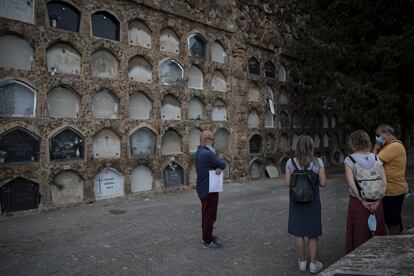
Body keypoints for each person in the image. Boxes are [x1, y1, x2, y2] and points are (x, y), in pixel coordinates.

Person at [284, 135, 327, 274]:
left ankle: (302, 262)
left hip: (296, 202)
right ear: (311, 146)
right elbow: (323, 183)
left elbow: (287, 184)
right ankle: (313, 263)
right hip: (313, 201)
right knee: (313, 233)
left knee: (298, 232)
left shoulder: (290, 163)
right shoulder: (318, 162)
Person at [344, 130, 387, 253]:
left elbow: (352, 184)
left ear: (353, 144)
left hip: (358, 202)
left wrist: (362, 200)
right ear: (367, 142)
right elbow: (384, 181)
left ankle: (358, 256)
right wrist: (378, 201)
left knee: (359, 230)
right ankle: (377, 255)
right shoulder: (375, 158)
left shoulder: (350, 160)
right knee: (377, 230)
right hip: (376, 201)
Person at [373, 124, 409, 234]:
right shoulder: (390, 146)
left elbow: (373, 161)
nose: (378, 138)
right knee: (393, 217)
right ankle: (398, 239)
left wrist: (375, 147)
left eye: (379, 135)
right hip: (393, 188)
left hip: (393, 190)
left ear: (387, 134)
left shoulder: (393, 147)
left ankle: (395, 242)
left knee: (392, 219)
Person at [195, 130, 226, 249]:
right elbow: (223, 164)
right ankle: (207, 240)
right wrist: (218, 165)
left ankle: (207, 235)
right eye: (212, 139)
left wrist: (216, 166)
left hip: (202, 188)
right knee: (210, 215)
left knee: (206, 213)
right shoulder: (208, 154)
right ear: (206, 139)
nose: (213, 142)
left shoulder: (199, 152)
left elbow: (212, 165)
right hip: (209, 189)